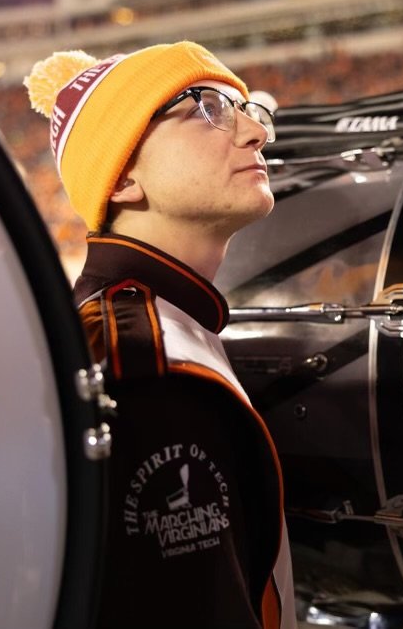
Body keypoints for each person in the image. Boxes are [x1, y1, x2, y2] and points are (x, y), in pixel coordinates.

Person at [24, 41, 296, 628]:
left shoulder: (164, 323)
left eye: (249, 110)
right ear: (122, 178)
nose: (256, 133)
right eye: (206, 107)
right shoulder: (142, 367)